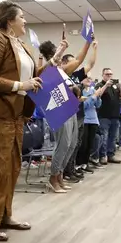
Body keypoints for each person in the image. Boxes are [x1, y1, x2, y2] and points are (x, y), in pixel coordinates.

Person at [0, 1, 47, 241]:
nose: (25, 21)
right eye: (22, 17)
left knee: (13, 167)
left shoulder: (22, 45)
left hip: (15, 114)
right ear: (9, 21)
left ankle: (4, 215)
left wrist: (39, 77)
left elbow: (30, 76)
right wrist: (19, 86)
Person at [38, 37, 93, 191]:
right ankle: (53, 178)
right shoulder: (48, 70)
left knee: (71, 143)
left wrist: (88, 42)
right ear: (52, 53)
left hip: (70, 107)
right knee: (63, 144)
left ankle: (60, 175)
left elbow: (79, 60)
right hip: (58, 109)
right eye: (57, 49)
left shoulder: (61, 71)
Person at [95, 68, 121, 165]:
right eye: (107, 74)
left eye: (111, 74)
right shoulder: (99, 85)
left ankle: (111, 155)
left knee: (113, 137)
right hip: (104, 115)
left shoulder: (115, 86)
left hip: (115, 116)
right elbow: (98, 94)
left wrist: (120, 86)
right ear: (102, 75)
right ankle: (103, 156)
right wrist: (105, 85)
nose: (109, 76)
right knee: (104, 137)